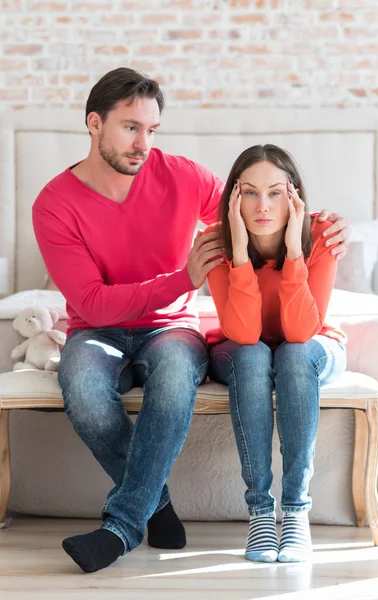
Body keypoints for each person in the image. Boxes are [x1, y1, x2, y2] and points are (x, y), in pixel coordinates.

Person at [32, 67, 350, 573]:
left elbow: (251, 208)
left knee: (178, 375)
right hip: (97, 328)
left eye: (152, 130)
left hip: (170, 329)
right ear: (94, 123)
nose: (143, 143)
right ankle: (151, 505)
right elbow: (91, 303)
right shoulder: (54, 204)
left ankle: (120, 526)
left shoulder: (181, 176)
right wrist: (182, 279)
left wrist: (319, 226)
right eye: (130, 127)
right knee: (85, 391)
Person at [206, 144, 347, 564]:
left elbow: (303, 331)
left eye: (275, 192)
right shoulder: (214, 242)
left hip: (312, 347)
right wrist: (237, 249)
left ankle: (296, 513)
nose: (262, 205)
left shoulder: (322, 233)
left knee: (292, 355)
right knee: (252, 357)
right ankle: (261, 514)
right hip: (240, 348)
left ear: (294, 195)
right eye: (249, 192)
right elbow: (245, 333)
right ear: (233, 197)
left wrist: (295, 250)